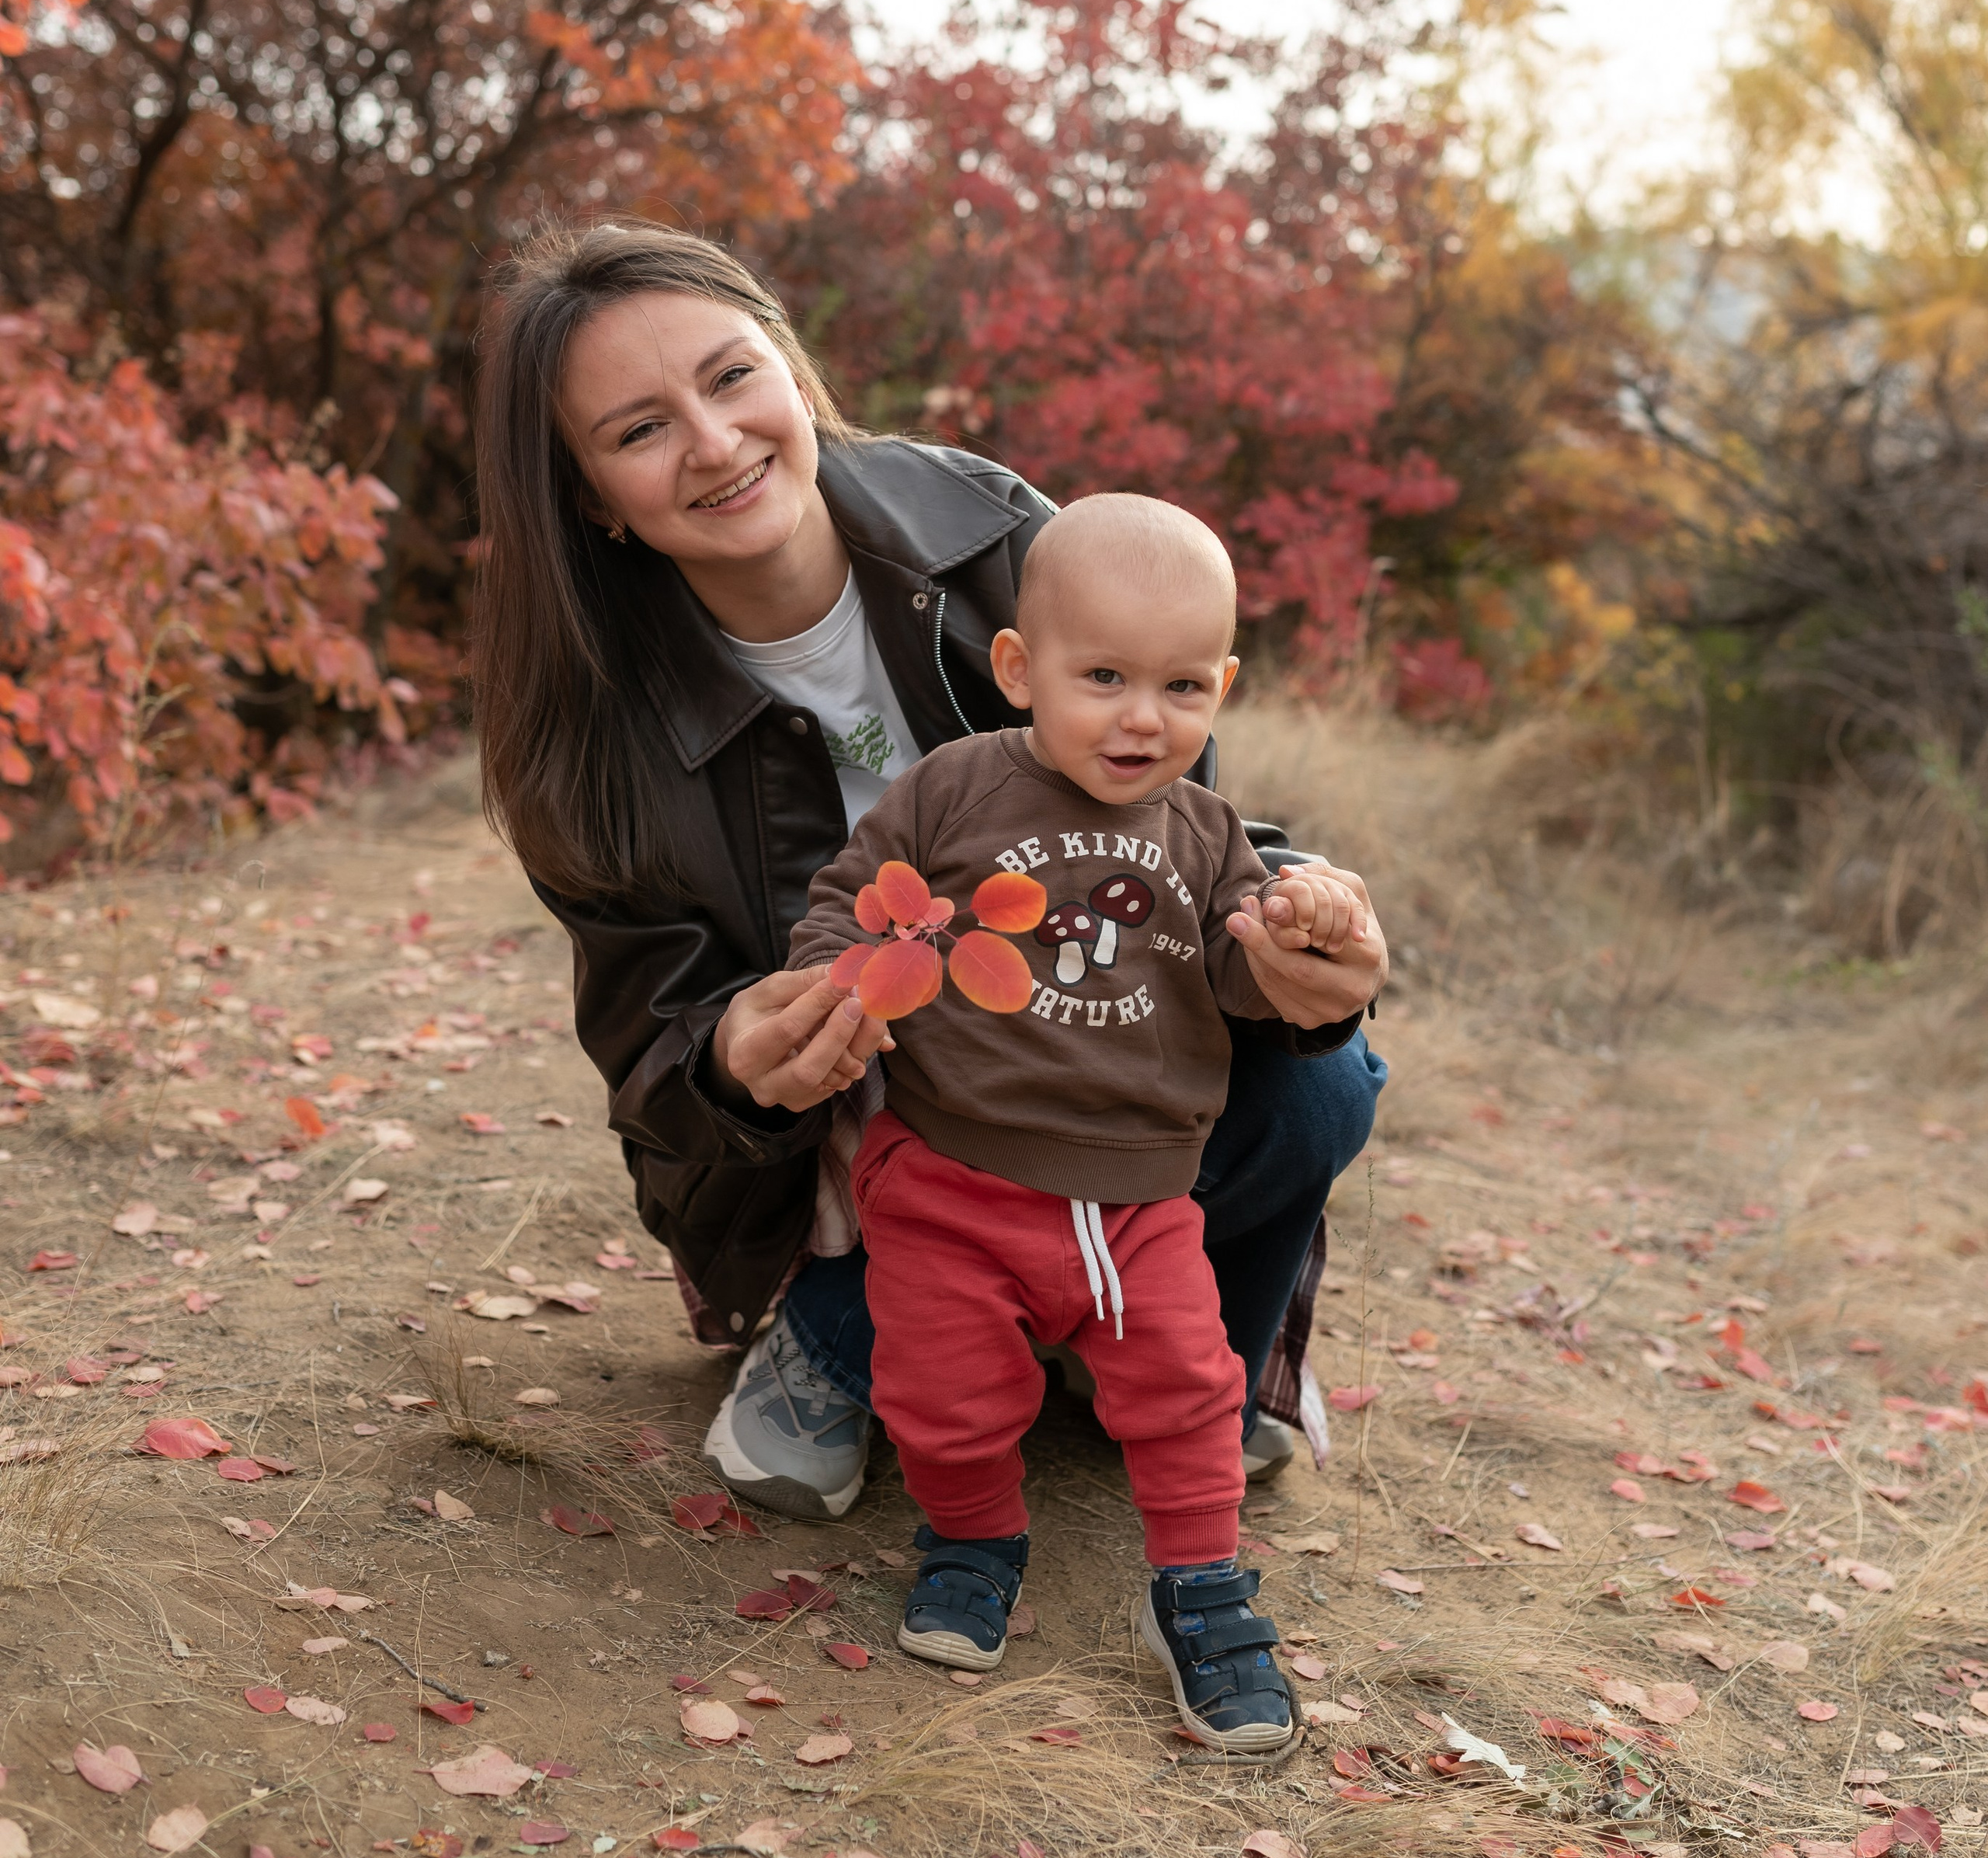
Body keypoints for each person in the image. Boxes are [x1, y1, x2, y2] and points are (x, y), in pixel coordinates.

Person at [473, 218, 1388, 1528]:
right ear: (588, 497)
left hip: (1079, 1047)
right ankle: (841, 1330)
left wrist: (1302, 929)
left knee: (1323, 1081)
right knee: (890, 1173)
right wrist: (735, 1059)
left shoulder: (1000, 536)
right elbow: (648, 1056)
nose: (717, 443)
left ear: (789, 367)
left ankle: (1148, 1338)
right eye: (639, 430)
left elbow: (1182, 827)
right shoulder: (587, 739)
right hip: (843, 1143)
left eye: (732, 377)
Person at [785, 492, 1370, 1751]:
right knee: (944, 1394)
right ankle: (974, 1540)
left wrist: (1305, 946)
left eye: (1179, 687)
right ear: (1019, 668)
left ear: (1221, 688)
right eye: (1101, 676)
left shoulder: (1212, 840)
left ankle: (1200, 1590)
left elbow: (1245, 980)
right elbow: (848, 900)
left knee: (1183, 1391)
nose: (1141, 717)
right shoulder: (953, 791)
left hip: (1139, 1201)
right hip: (950, 1174)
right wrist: (831, 988)